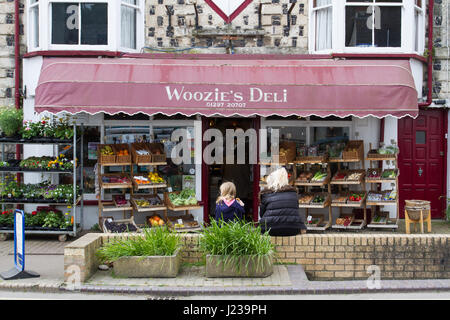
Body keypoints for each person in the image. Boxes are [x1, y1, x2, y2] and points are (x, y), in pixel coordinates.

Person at [259, 167, 307, 236]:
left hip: (270, 228)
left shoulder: (266, 194)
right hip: (292, 228)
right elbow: (295, 211)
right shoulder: (293, 194)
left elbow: (262, 214)